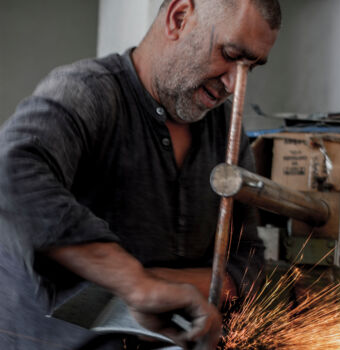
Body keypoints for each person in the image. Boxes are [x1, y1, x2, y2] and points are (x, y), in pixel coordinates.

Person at [0, 0, 280, 349]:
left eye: (250, 68)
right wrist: (135, 283)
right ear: (179, 18)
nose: (234, 85)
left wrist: (171, 285)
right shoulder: (88, 92)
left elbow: (248, 253)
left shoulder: (226, 128)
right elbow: (11, 174)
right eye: (229, 54)